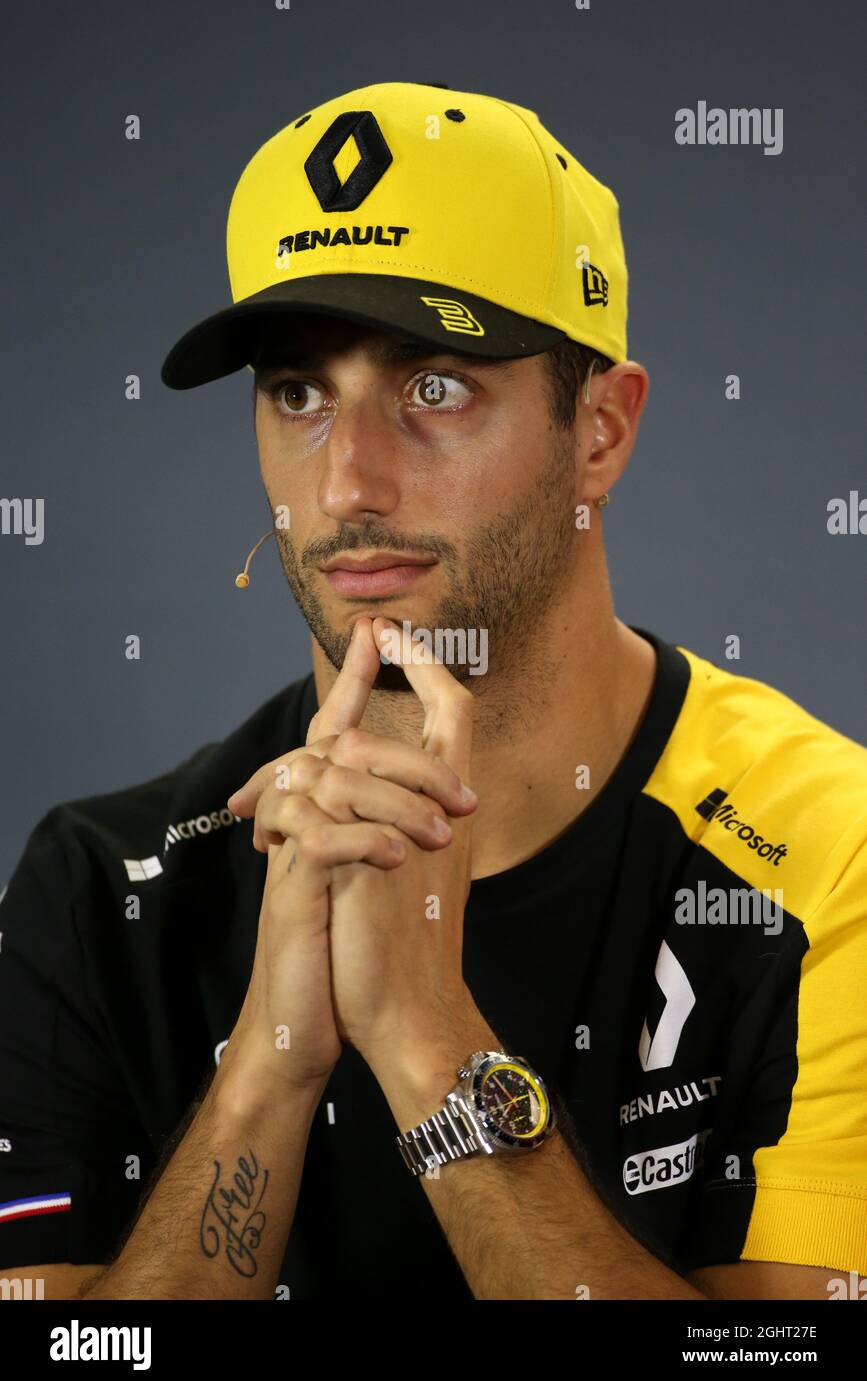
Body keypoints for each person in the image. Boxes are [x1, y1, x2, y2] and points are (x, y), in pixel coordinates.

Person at [1, 80, 865, 1303]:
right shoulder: (102, 888)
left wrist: (427, 1040)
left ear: (602, 432)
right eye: (300, 392)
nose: (349, 480)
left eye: (436, 387)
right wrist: (268, 1071)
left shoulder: (831, 858)